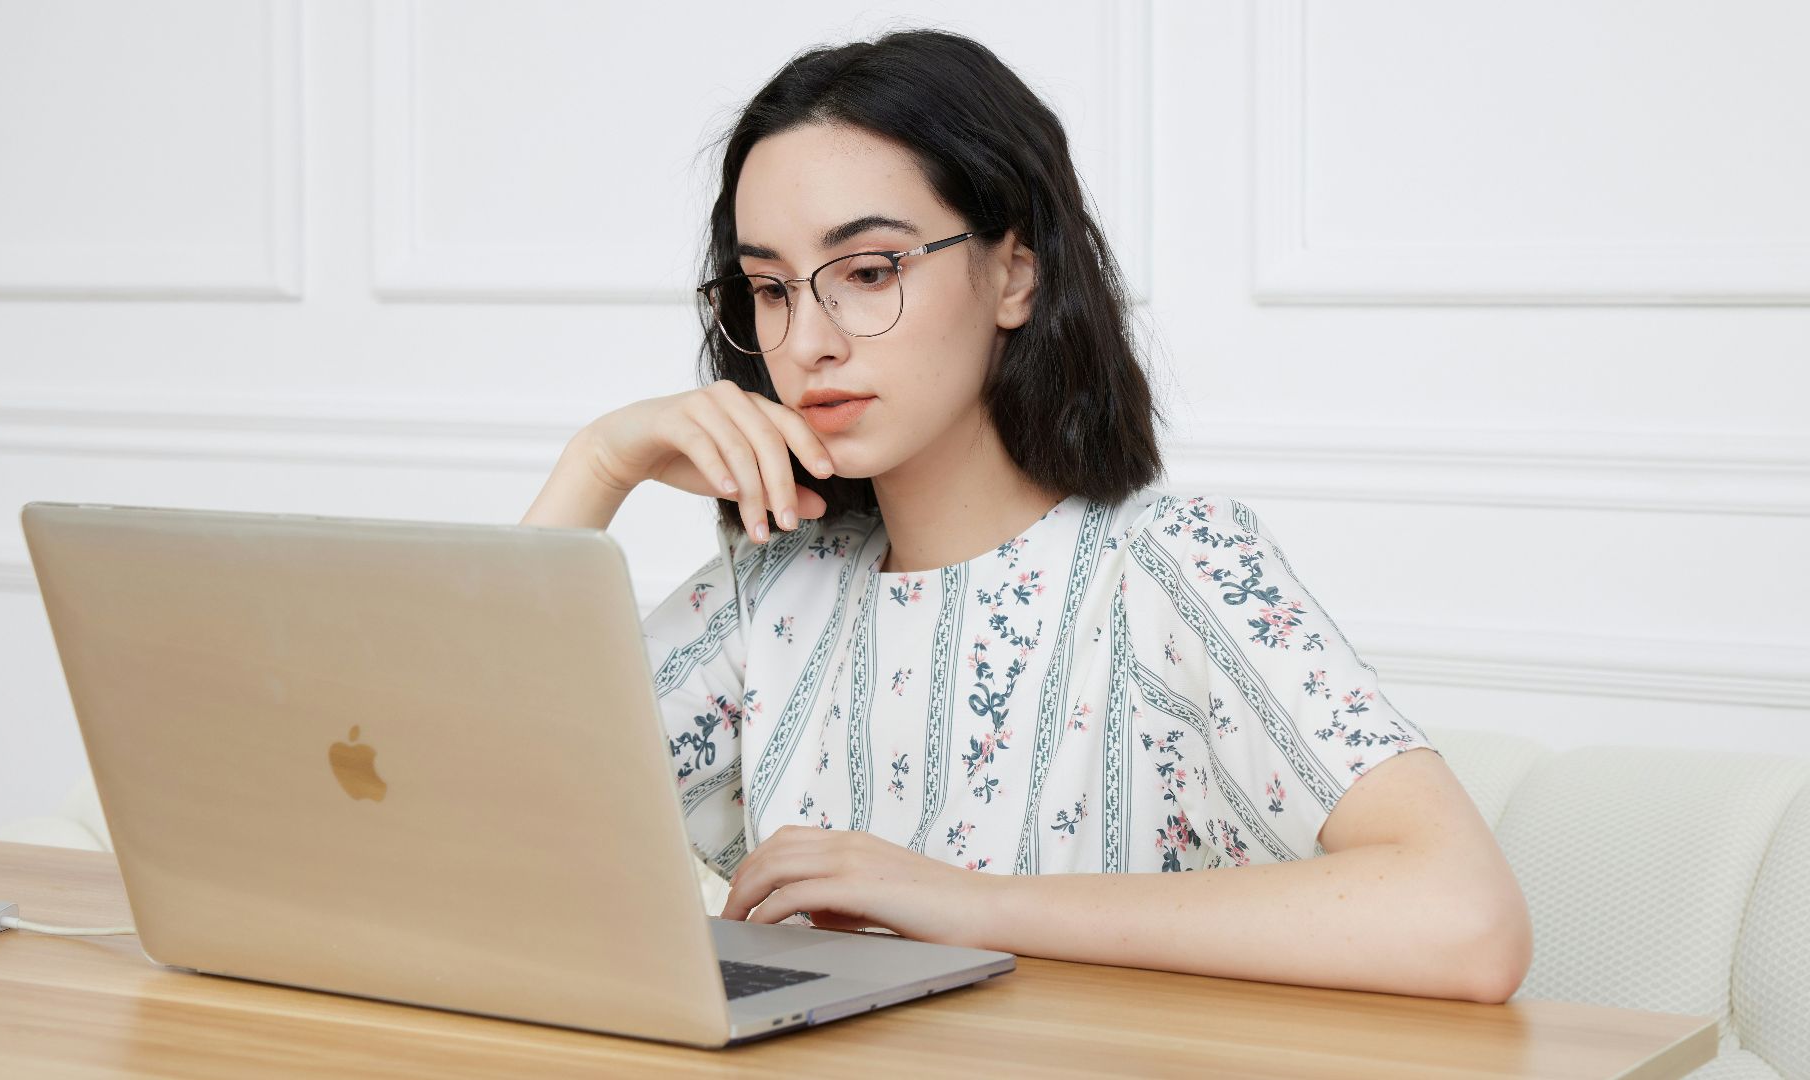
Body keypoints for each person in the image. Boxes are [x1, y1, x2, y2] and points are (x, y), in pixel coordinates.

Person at [521, 28, 1531, 1004]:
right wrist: (597, 466)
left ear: (1014, 271)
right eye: (769, 288)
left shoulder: (1167, 566)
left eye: (868, 272)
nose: (809, 340)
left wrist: (970, 906)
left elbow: (1466, 919)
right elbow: (476, 826)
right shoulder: (774, 590)